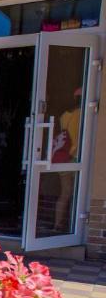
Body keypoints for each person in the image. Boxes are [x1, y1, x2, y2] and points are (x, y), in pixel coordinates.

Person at [52, 87, 82, 232]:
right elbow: (77, 138)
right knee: (77, 194)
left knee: (65, 193)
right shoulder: (81, 115)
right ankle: (74, 227)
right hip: (74, 157)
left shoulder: (65, 115)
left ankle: (58, 224)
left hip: (62, 158)